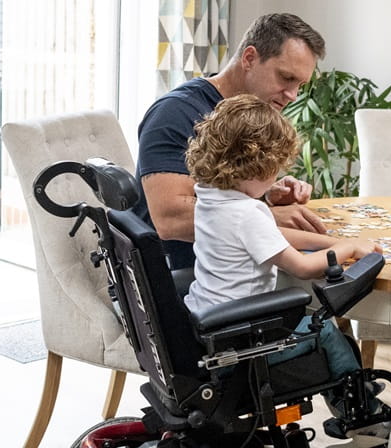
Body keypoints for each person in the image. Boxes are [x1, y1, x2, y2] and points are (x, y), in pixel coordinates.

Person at [183, 94, 379, 382]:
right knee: (323, 330)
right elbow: (301, 268)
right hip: (243, 340)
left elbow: (269, 237)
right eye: (275, 167)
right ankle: (359, 408)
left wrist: (330, 242)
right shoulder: (247, 211)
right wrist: (347, 246)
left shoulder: (211, 197)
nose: (277, 176)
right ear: (256, 165)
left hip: (210, 328)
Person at [133, 13, 329, 270]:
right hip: (190, 285)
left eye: (300, 85)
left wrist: (265, 195)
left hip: (230, 273)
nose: (293, 96)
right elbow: (169, 219)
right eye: (286, 78)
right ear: (249, 58)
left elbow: (212, 196)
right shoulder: (174, 113)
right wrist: (266, 217)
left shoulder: (250, 116)